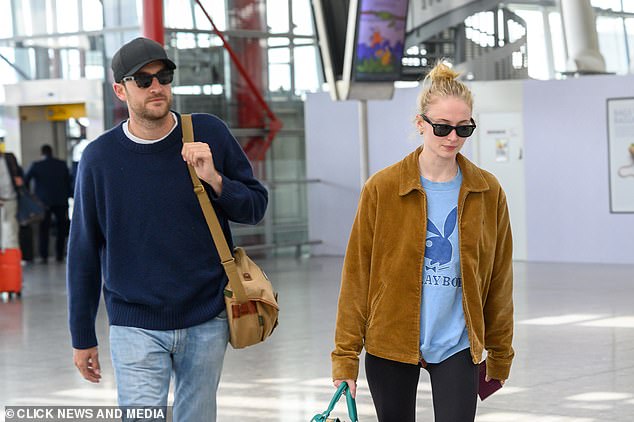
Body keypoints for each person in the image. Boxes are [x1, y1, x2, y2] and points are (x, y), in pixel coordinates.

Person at [67, 37, 268, 421]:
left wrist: (215, 179)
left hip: (207, 317)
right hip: (134, 323)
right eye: (142, 80)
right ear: (120, 90)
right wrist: (82, 335)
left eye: (164, 76)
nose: (156, 86)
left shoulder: (208, 133)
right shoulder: (99, 159)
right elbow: (83, 251)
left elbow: (255, 207)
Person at [331, 61, 514, 422]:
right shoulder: (382, 188)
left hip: (457, 345)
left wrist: (500, 352)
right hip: (391, 342)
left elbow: (498, 280)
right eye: (442, 127)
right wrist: (345, 359)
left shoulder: (487, 191)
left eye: (465, 128)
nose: (453, 138)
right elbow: (356, 277)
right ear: (420, 124)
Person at [25, 144, 71, 263]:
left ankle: (44, 256)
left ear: (42, 153)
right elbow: (69, 181)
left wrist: (31, 196)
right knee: (61, 228)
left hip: (43, 202)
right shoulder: (62, 164)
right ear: (52, 152)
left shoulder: (36, 165)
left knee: (44, 229)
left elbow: (25, 180)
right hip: (61, 200)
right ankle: (60, 255)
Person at [0, 148, 24, 250]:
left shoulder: (9, 157)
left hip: (11, 199)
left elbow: (20, 173)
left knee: (12, 229)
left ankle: (12, 258)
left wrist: (20, 181)